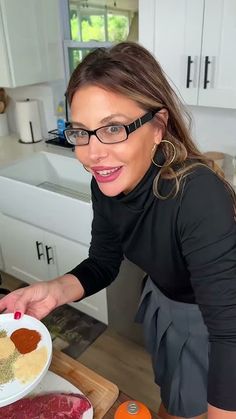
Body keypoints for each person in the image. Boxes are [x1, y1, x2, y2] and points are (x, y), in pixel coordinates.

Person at [0, 42, 236, 419]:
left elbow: (229, 332)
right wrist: (54, 289)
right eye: (81, 132)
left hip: (208, 320)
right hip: (163, 300)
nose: (93, 154)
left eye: (113, 128)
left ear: (158, 127)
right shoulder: (106, 182)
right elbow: (104, 261)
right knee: (171, 399)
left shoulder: (196, 194)